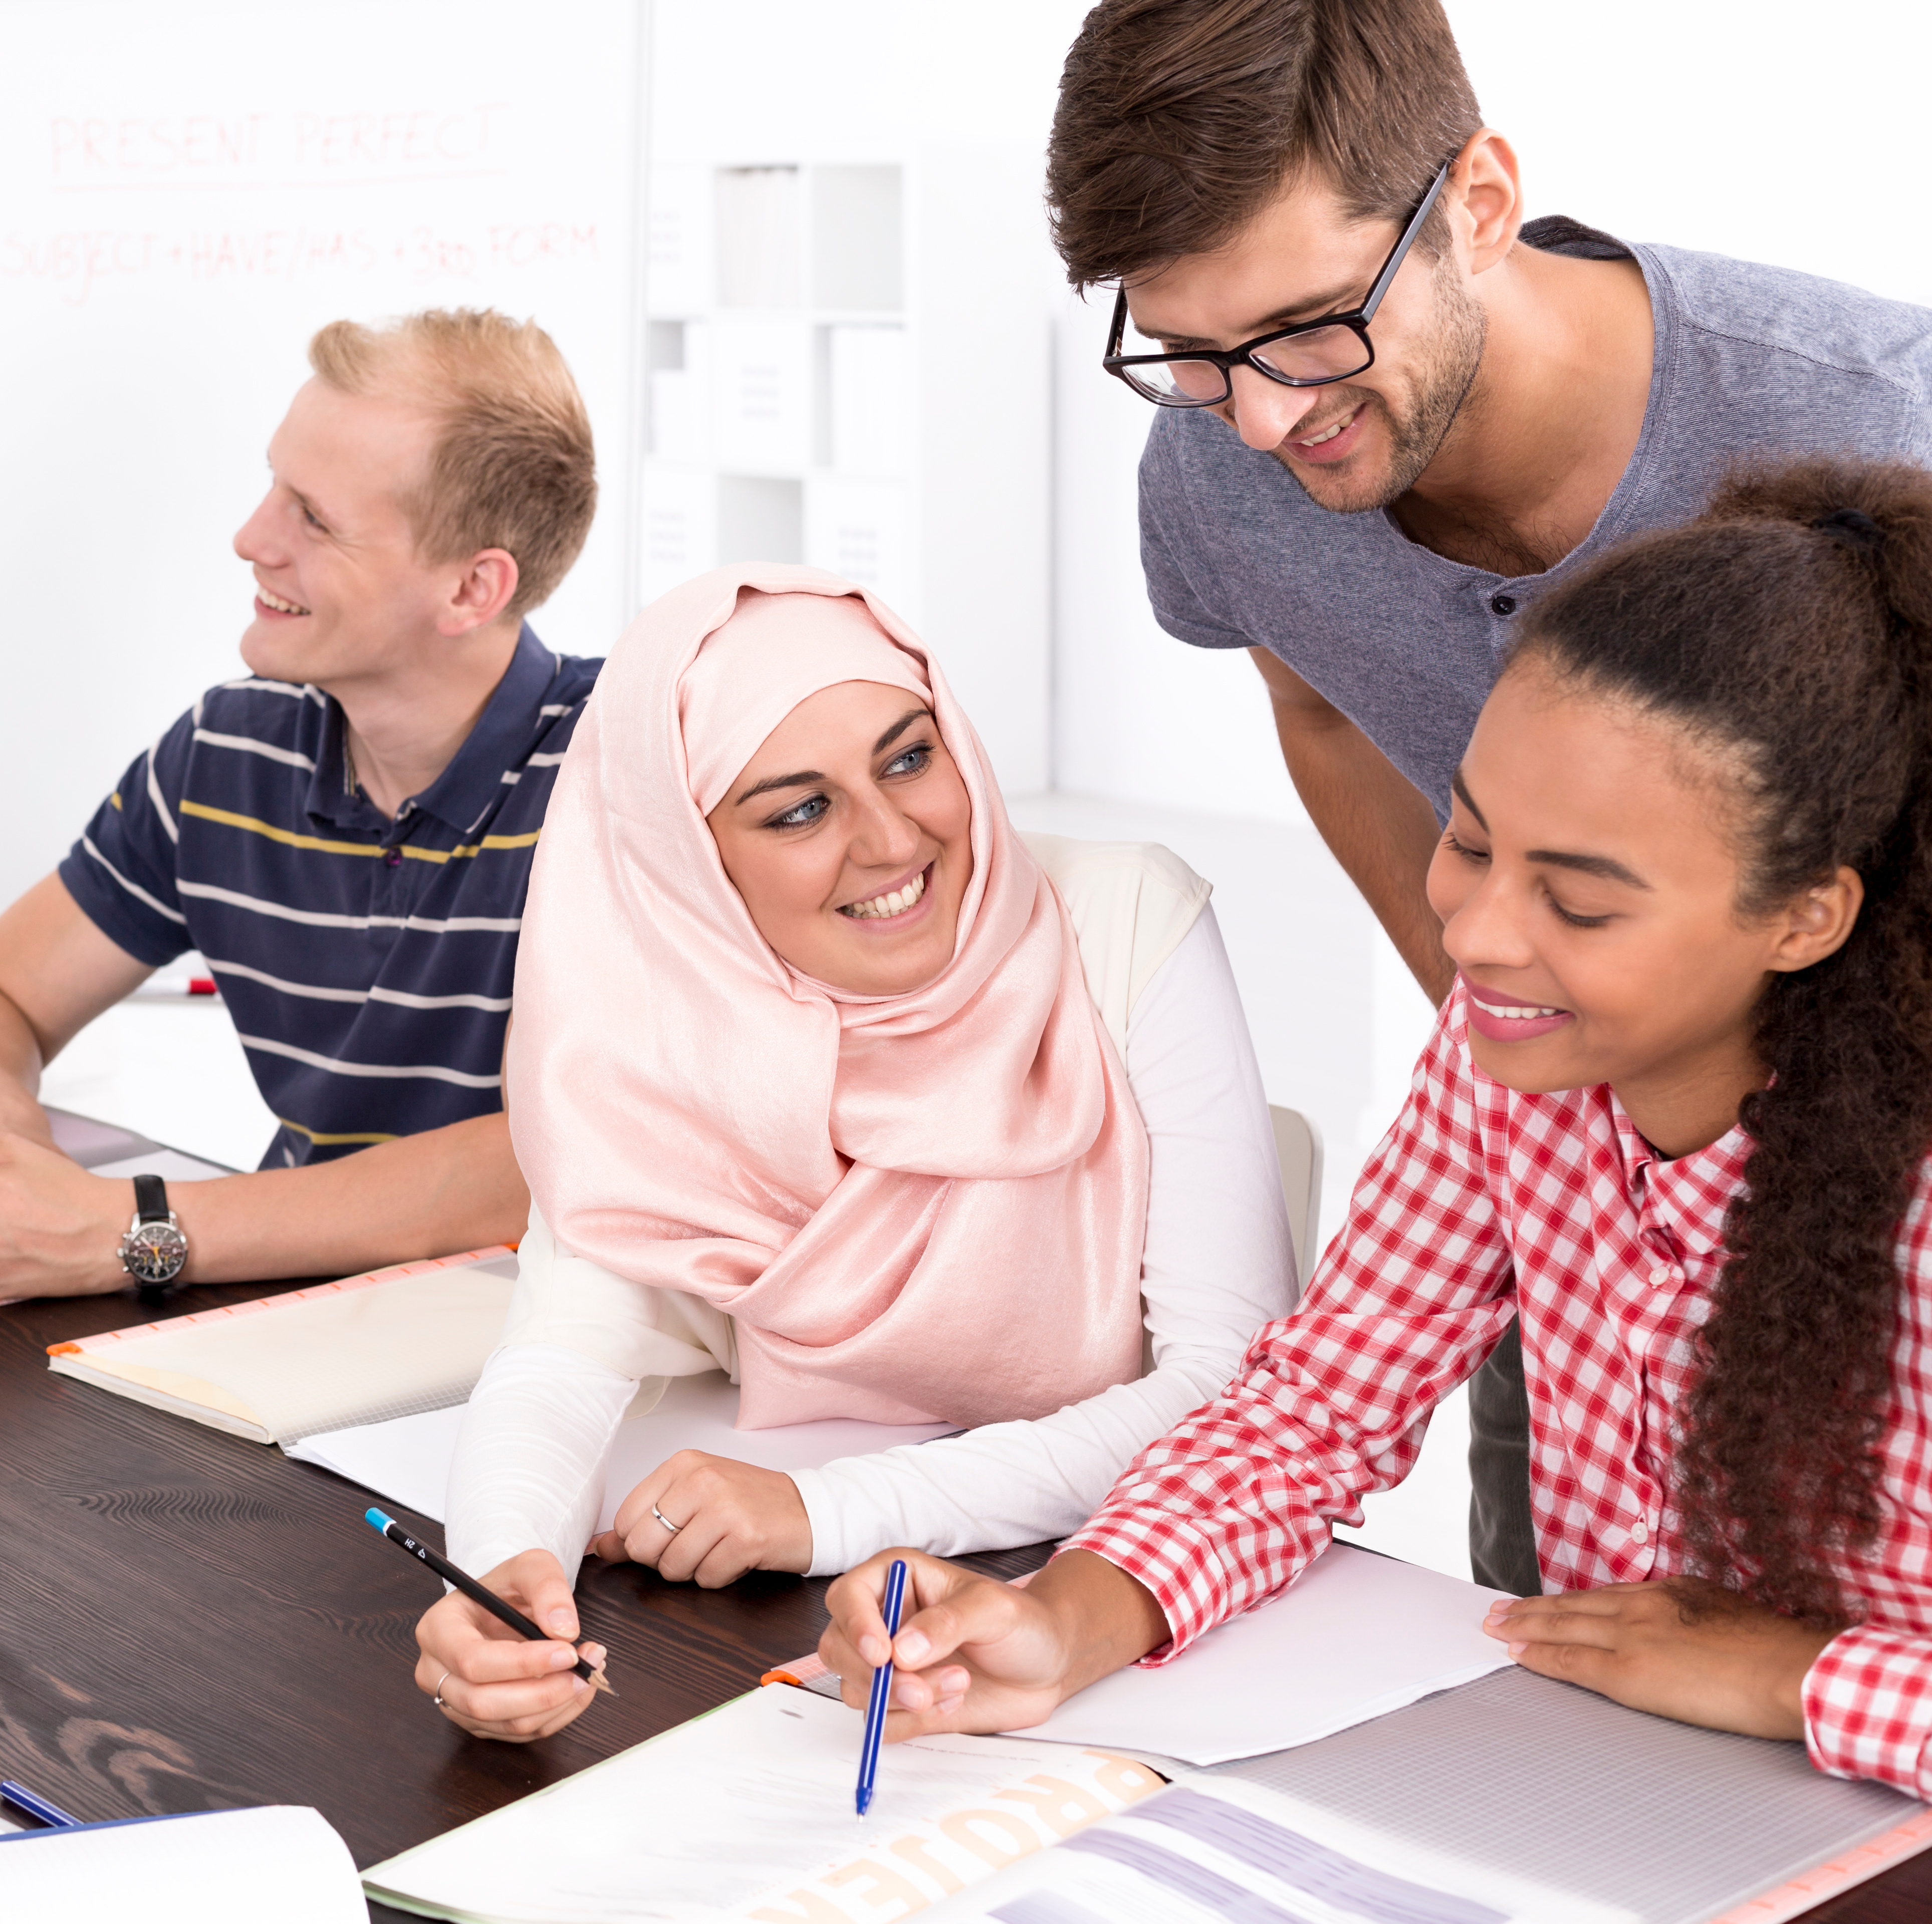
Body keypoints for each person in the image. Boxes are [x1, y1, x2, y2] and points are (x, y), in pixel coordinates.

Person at [817, 459, 1932, 1800]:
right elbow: (1320, 1405)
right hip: (1615, 1794)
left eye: (1579, 905)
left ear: (1807, 915)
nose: (1476, 936)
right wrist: (1066, 1619)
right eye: (1470, 843)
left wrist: (1795, 1678)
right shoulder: (1511, 1055)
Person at [1046, 0, 1932, 1595]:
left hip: (1872, 1209)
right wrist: (1528, 1057)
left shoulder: (1883, 419)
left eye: (1312, 328)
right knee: (1572, 1634)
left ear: (1478, 203)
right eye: (1185, 353)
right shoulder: (1220, 468)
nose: (1259, 416)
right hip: (1588, 1200)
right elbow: (1315, 705)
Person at [408, 566, 1298, 1742]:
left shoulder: (1127, 918)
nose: (893, 839)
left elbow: (1234, 1398)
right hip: (842, 1646)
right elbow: (562, 1355)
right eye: (797, 810)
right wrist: (504, 1576)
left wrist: (821, 1514)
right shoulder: (645, 1031)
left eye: (909, 757)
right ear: (691, 862)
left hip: (1131, 1609)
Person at [0, 310, 597, 1298]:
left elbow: (563, 1164)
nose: (251, 538)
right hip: (295, 1327)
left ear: (474, 589)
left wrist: (130, 1231)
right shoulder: (229, 752)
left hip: (552, 1355)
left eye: (315, 518)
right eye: (275, 488)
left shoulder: (621, 783)